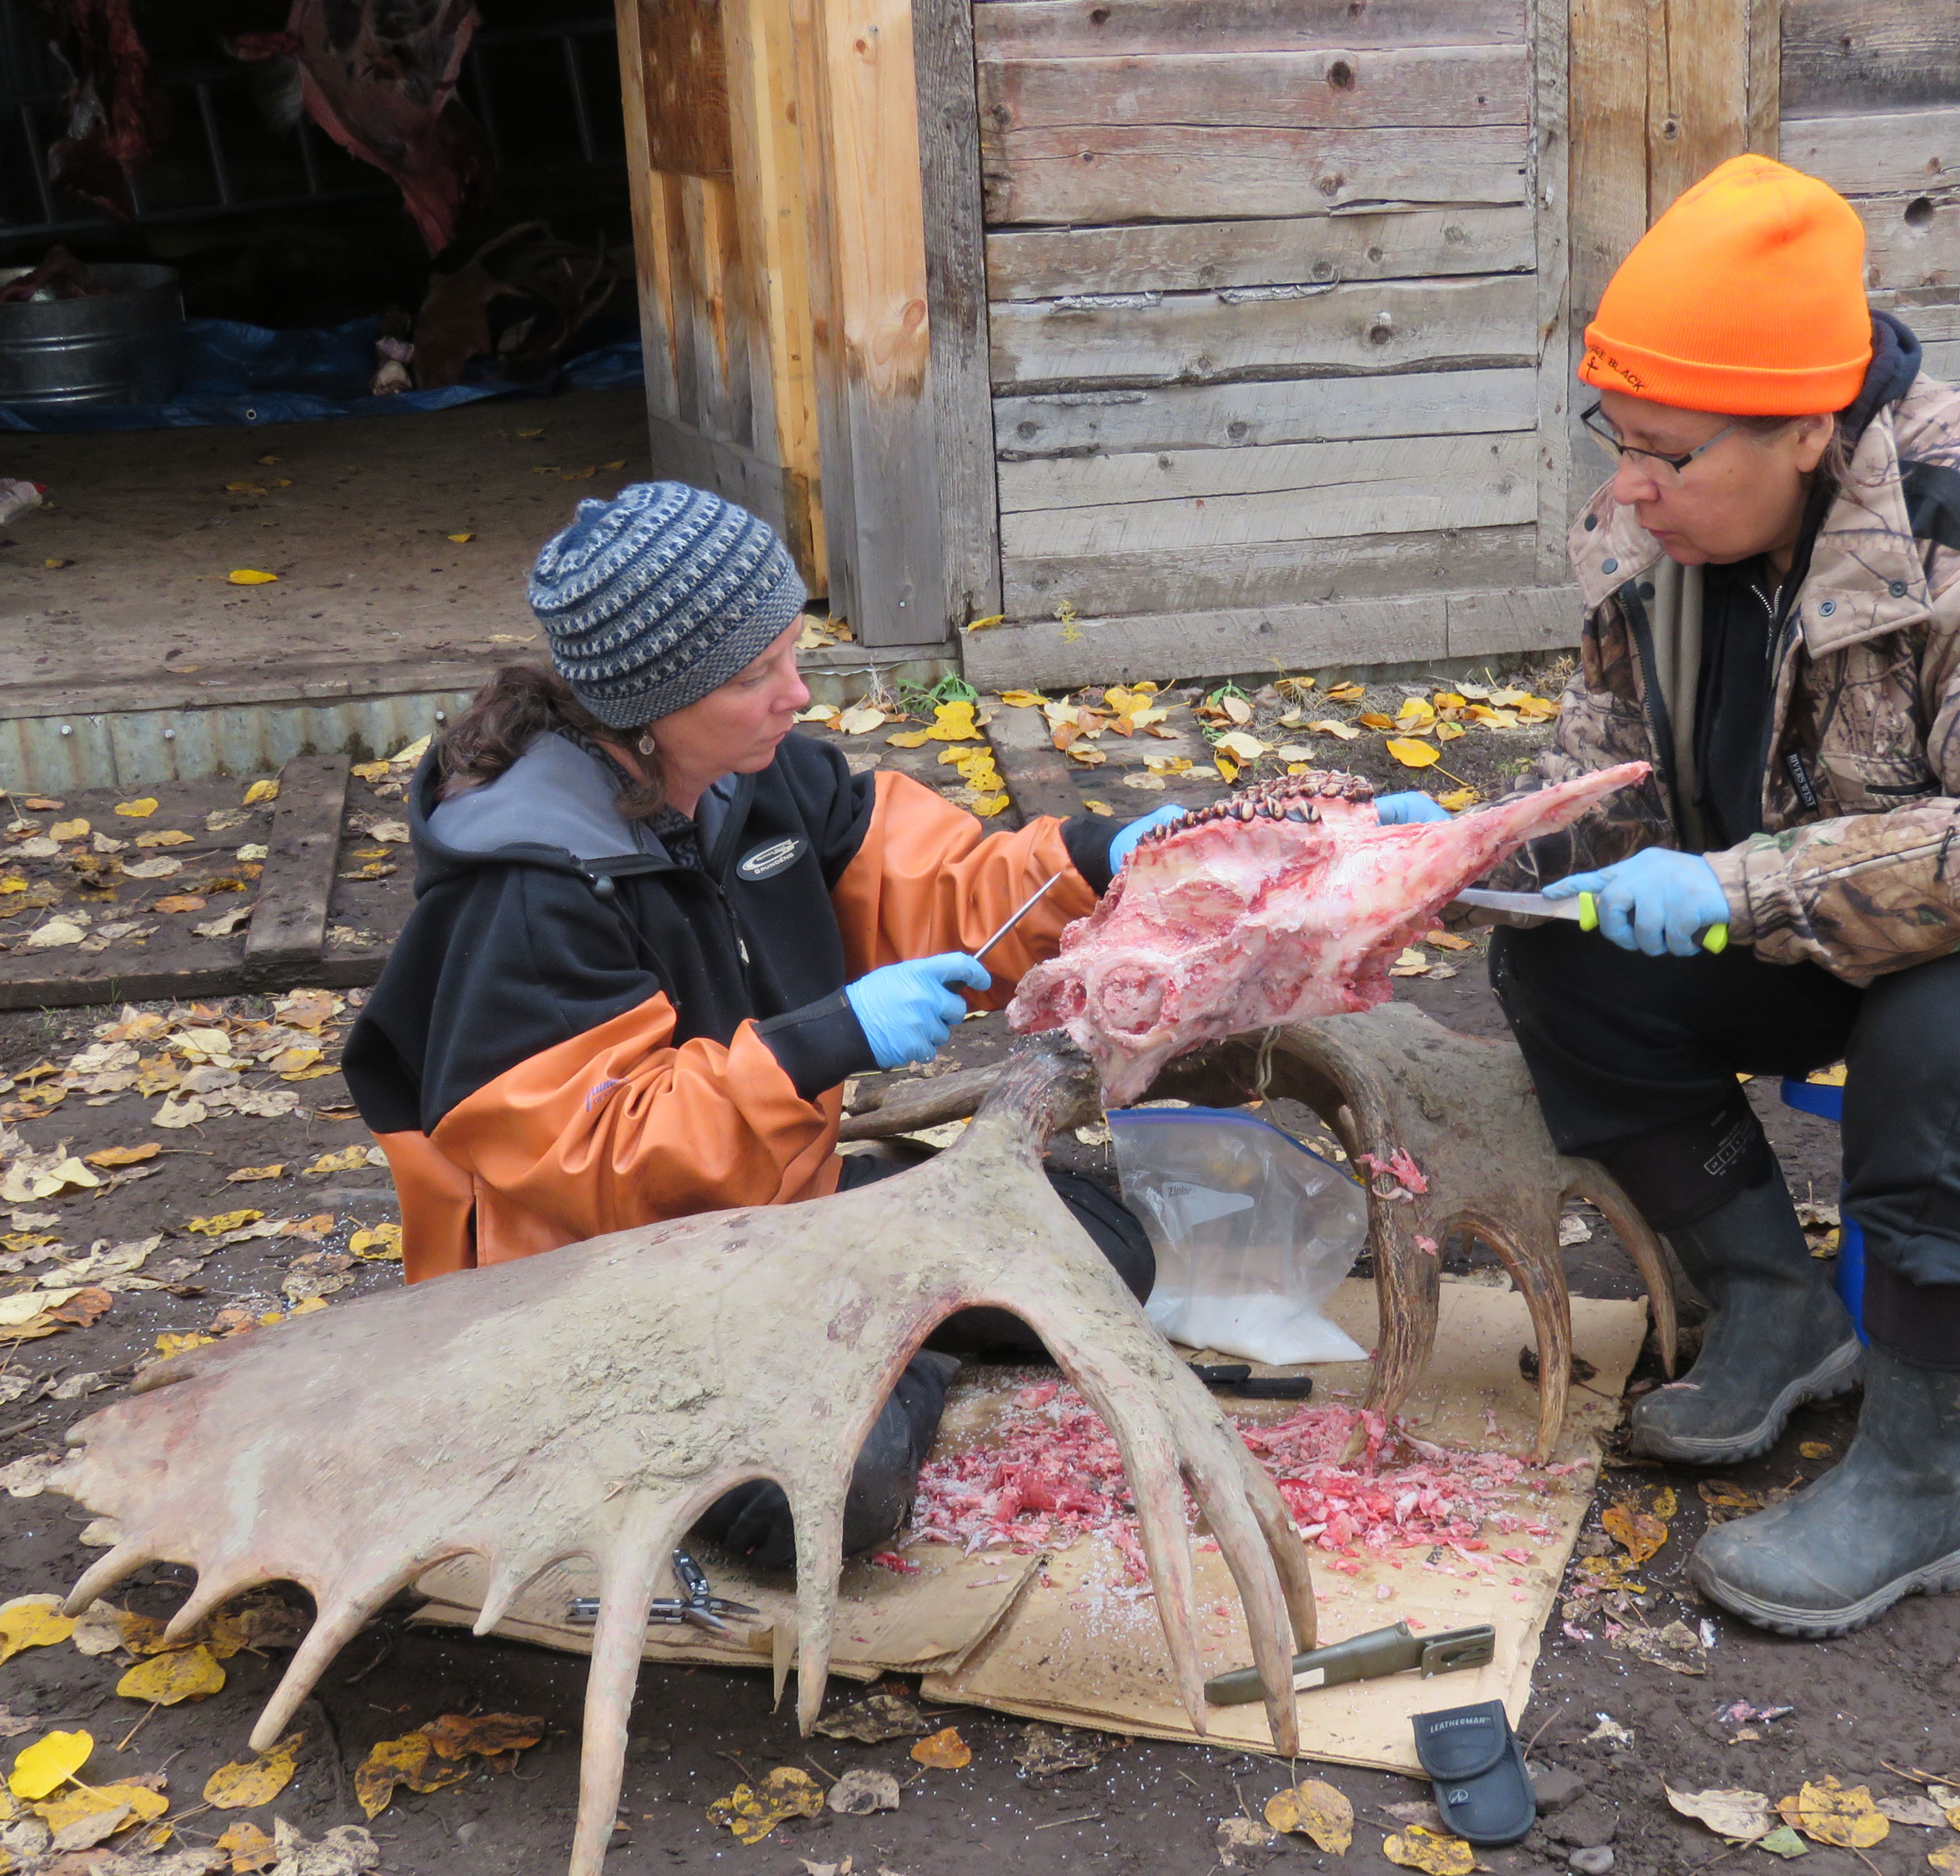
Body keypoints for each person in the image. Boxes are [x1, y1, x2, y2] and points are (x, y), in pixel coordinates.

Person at [1456, 157, 1960, 1636]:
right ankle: (1774, 1308)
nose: (1629, 487)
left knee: (1948, 1033)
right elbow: (1611, 767)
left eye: (1671, 453)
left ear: (1806, 428)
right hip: (1822, 877)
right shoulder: (1675, 538)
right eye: (1617, 439)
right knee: (1566, 960)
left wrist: (1732, 881)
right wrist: (1486, 848)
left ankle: (1919, 1476)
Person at [341, 480, 1325, 1562]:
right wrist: (826, 1037)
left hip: (767, 1211)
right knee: (828, 1501)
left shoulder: (754, 781)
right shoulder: (528, 894)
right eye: (758, 674)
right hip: (593, 1294)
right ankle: (877, 1357)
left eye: (790, 654)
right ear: (650, 698)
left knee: (1108, 1257)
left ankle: (862, 1335)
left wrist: (1099, 857)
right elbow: (598, 1161)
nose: (796, 694)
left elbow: (946, 885)